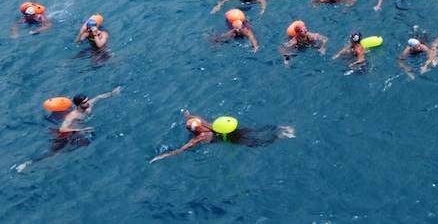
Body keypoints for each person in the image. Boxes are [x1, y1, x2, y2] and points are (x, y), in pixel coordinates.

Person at [16, 87, 123, 172]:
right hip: (66, 134)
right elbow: (62, 129)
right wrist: (82, 129)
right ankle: (27, 163)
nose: (88, 103)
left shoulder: (89, 105)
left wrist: (112, 93)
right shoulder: (73, 116)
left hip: (76, 131)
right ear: (78, 105)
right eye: (85, 102)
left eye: (87, 100)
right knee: (52, 153)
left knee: (83, 144)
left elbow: (99, 97)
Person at [149, 110, 295, 163]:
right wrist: (187, 114)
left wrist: (161, 156)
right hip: (233, 130)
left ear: (193, 131)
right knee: (254, 130)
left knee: (255, 143)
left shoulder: (199, 138)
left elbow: (180, 150)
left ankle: (280, 136)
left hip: (232, 139)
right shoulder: (205, 123)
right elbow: (194, 117)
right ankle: (280, 128)